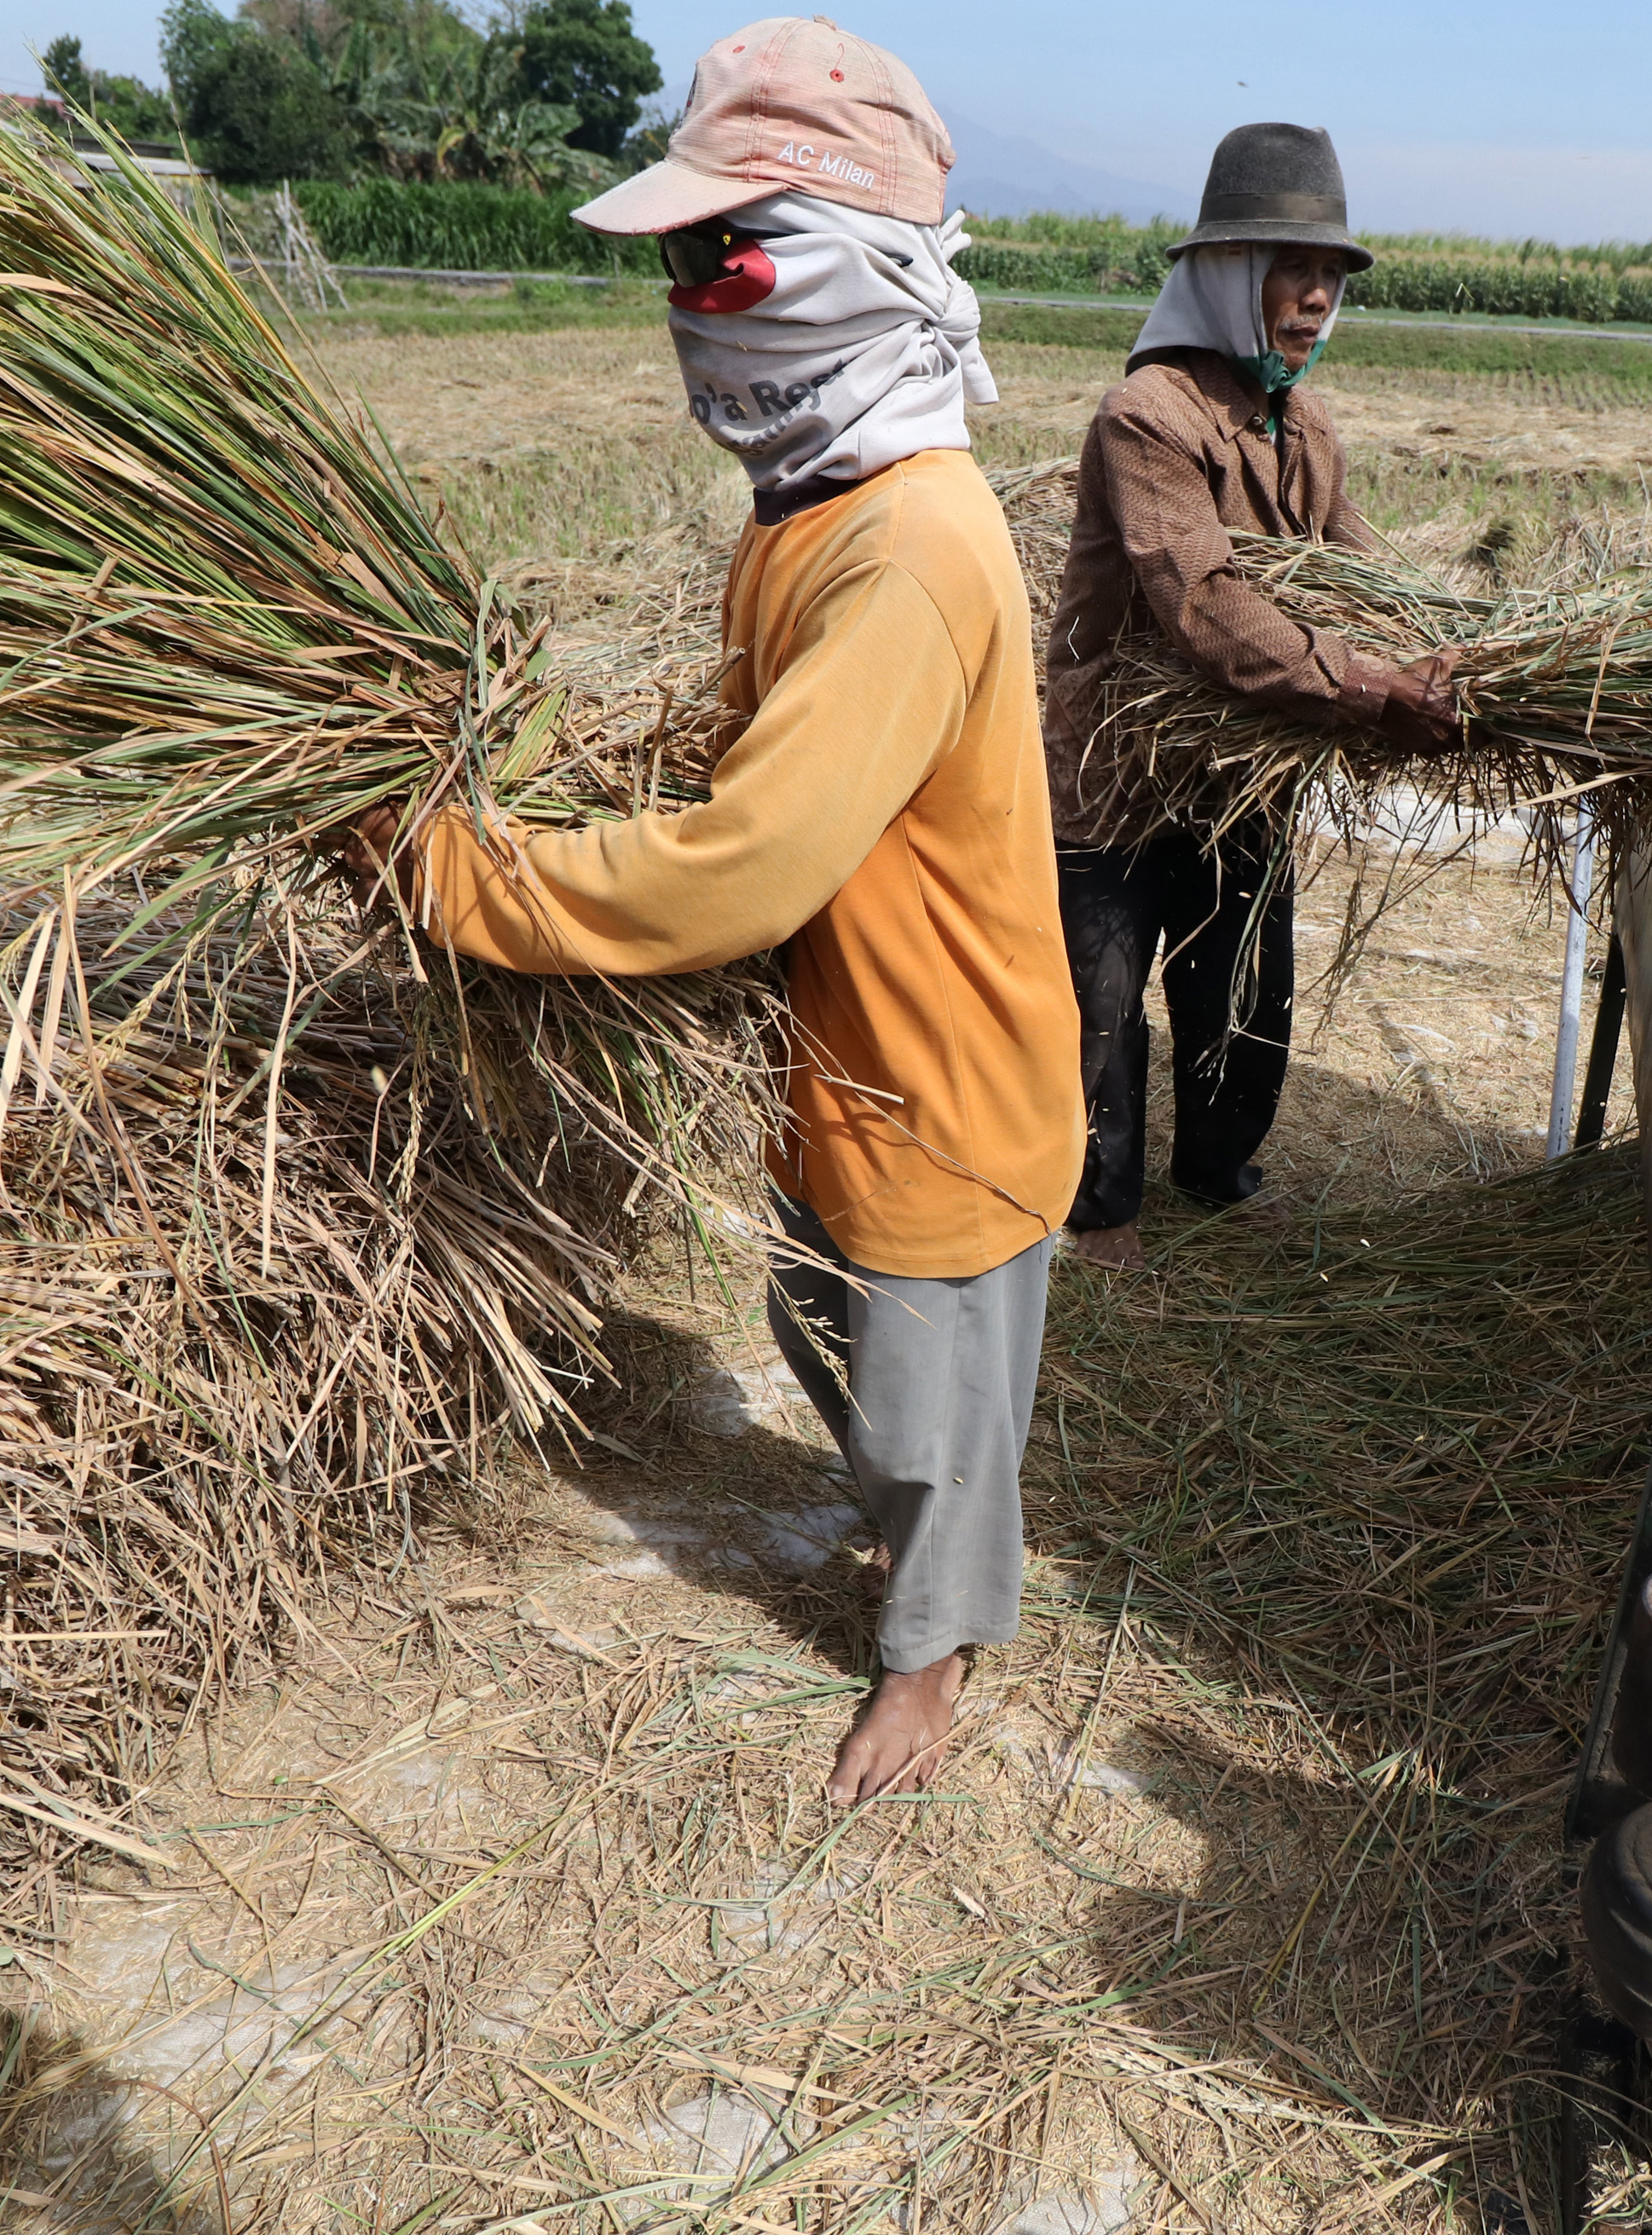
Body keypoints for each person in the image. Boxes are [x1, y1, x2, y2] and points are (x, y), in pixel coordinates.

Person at [339, 18, 1077, 1805]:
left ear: (839, 268)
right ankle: (924, 1566)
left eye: (721, 252)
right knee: (831, 1321)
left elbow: (747, 862)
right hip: (845, 1041)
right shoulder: (813, 509)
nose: (690, 292)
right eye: (675, 257)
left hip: (941, 1068)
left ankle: (934, 1650)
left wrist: (459, 871)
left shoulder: (905, 545)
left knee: (926, 1395)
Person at [1041, 124, 1460, 1271]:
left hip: (1239, 768)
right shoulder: (1148, 419)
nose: (1317, 296)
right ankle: (1102, 1207)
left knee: (1245, 987)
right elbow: (1209, 607)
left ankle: (1218, 1169)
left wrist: (1457, 651)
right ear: (1229, 275)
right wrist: (1375, 691)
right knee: (1102, 1003)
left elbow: (1360, 575)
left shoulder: (1306, 426)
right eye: (1294, 270)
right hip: (1118, 769)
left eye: (1330, 276)